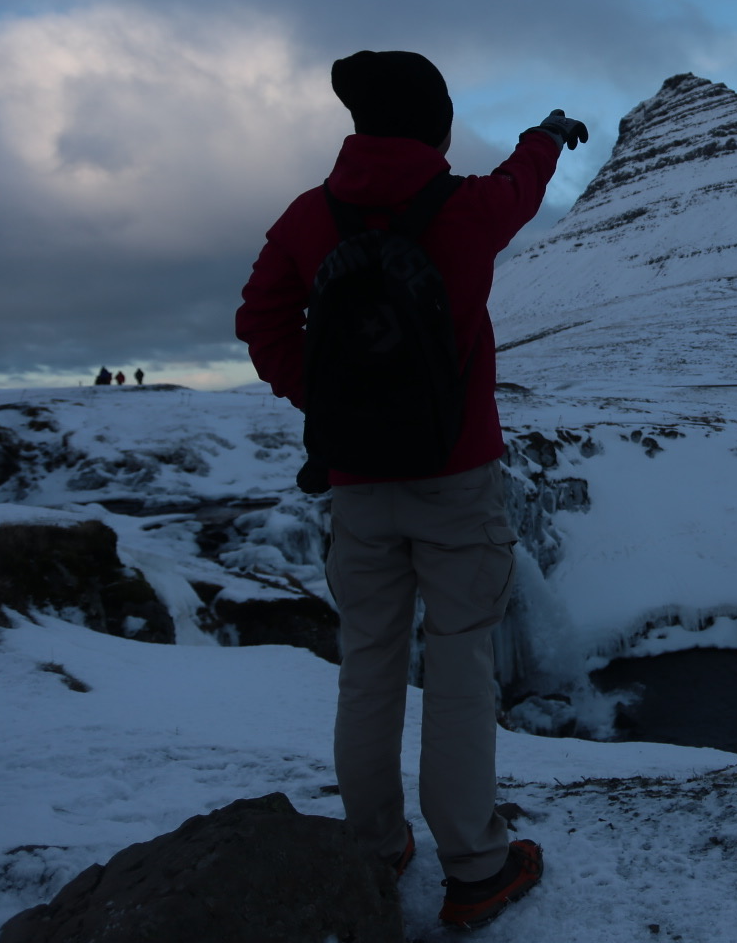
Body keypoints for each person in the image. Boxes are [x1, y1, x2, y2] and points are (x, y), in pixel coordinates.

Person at [235, 49, 586, 930]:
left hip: (357, 483)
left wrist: (327, 399)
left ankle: (373, 845)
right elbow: (521, 184)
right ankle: (475, 865)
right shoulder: (467, 212)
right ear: (434, 126)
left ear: (359, 127)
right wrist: (545, 135)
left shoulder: (309, 218)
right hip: (457, 475)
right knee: (463, 661)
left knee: (370, 664)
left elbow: (259, 319)